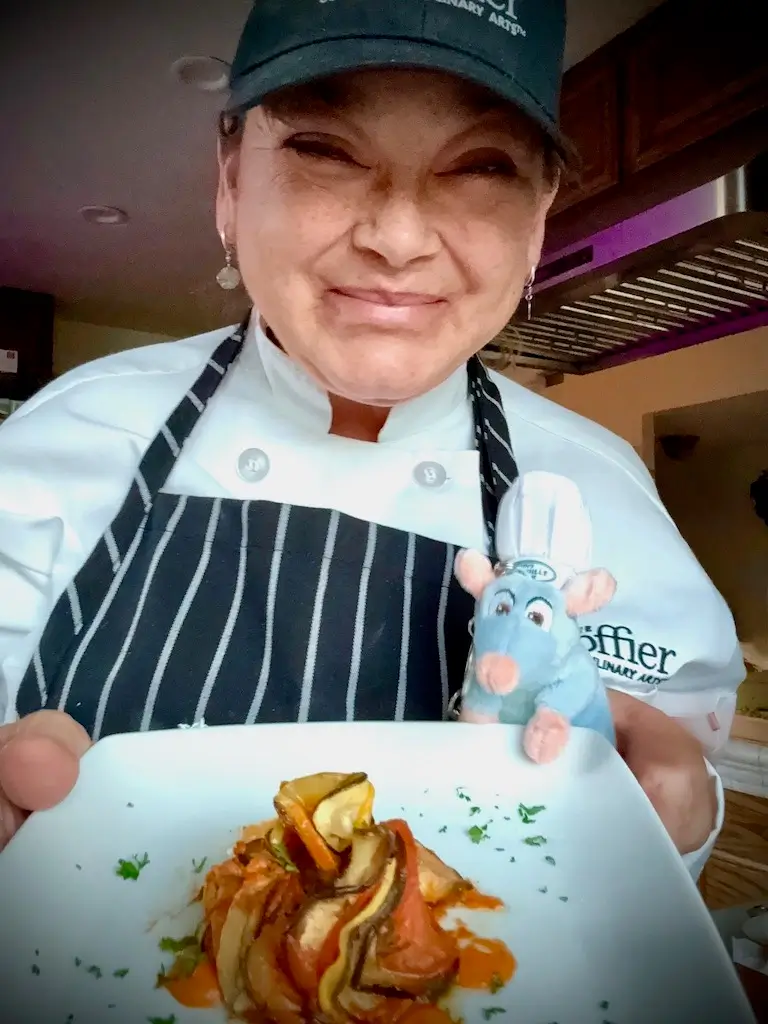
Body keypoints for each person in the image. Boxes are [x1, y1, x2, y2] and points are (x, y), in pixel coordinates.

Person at [0, 0, 744, 878]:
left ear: (539, 220)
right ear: (231, 182)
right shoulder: (75, 431)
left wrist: (675, 812)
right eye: (325, 151)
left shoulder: (599, 489)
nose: (396, 237)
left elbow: (674, 787)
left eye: (483, 166)